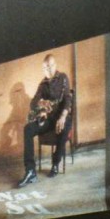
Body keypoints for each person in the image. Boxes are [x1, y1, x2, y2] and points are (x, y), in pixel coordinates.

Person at [17, 54, 72, 187]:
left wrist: (63, 116)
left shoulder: (63, 78)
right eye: (45, 67)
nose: (48, 69)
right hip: (49, 119)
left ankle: (55, 163)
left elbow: (67, 99)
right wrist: (41, 107)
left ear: (55, 65)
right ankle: (30, 171)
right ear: (43, 69)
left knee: (63, 129)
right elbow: (33, 102)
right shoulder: (42, 84)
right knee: (28, 129)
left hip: (63, 116)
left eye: (51, 65)